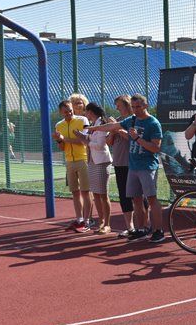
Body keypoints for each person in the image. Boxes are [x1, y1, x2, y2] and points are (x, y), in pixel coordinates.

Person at [89, 93, 164, 242]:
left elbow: (156, 148)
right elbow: (112, 126)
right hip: (133, 167)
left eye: (138, 107)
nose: (136, 110)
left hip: (147, 167)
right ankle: (141, 228)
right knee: (135, 199)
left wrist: (137, 138)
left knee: (151, 199)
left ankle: (158, 230)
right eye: (134, 107)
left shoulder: (153, 123)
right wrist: (94, 127)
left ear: (146, 106)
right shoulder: (131, 120)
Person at [52, 100, 93, 232]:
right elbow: (62, 147)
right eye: (66, 112)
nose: (69, 113)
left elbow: (84, 142)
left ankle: (87, 220)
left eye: (70, 110)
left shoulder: (82, 120)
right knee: (75, 192)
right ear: (60, 112)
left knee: (86, 192)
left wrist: (64, 139)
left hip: (83, 159)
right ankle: (79, 219)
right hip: (69, 162)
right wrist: (59, 140)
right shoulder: (59, 125)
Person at [110, 95, 139, 237]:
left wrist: (118, 128)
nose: (117, 108)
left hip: (133, 163)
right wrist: (112, 129)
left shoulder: (134, 120)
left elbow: (131, 137)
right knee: (124, 195)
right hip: (119, 162)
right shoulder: (118, 121)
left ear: (127, 105)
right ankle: (130, 227)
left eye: (119, 105)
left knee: (138, 196)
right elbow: (109, 141)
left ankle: (143, 225)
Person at [83, 102, 114, 235]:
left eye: (86, 112)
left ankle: (107, 224)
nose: (85, 114)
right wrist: (83, 136)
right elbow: (92, 140)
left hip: (102, 162)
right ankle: (101, 221)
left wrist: (87, 141)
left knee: (103, 194)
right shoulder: (93, 125)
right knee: (96, 194)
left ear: (90, 112)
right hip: (92, 162)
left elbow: (100, 144)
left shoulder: (101, 123)